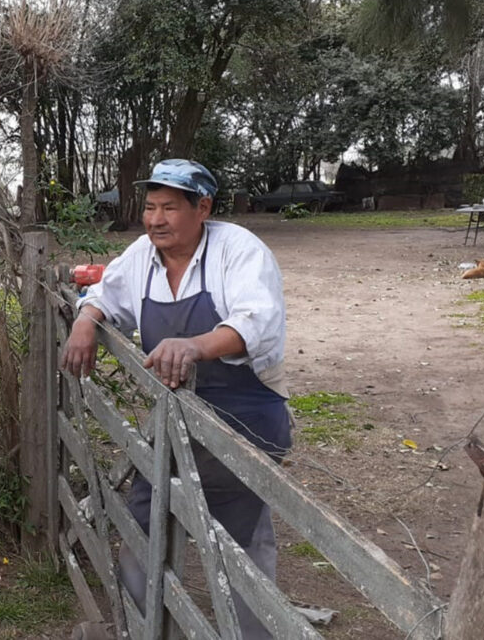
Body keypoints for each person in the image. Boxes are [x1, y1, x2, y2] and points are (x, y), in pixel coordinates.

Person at [61, 159, 290, 639]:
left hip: (243, 416)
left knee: (238, 542)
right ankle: (145, 628)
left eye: (169, 207)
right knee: (144, 522)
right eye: (149, 207)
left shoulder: (239, 251)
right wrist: (86, 320)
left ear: (202, 207)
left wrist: (197, 345)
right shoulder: (144, 254)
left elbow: (258, 320)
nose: (155, 220)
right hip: (171, 422)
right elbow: (108, 292)